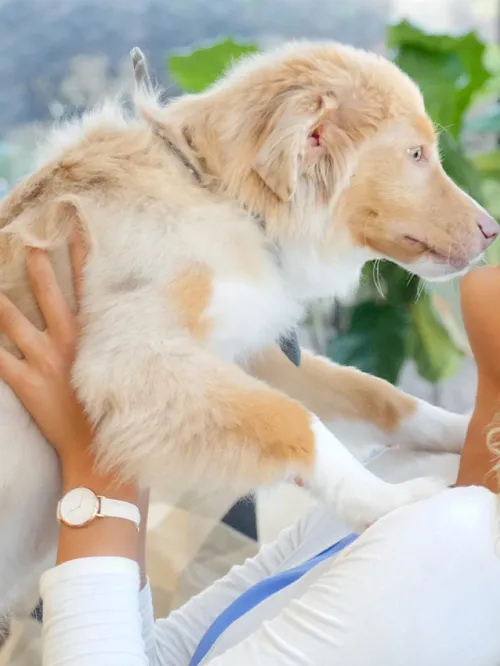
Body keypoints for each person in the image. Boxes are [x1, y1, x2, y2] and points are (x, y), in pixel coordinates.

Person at [1, 236, 500, 666]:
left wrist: (99, 448)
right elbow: (166, 655)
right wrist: (140, 394)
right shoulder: (422, 474)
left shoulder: (460, 545)